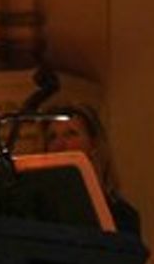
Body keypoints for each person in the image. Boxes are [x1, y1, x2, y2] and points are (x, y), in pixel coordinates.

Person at [43, 102, 141, 238]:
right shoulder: (39, 209)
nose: (59, 144)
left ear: (93, 144)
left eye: (71, 134)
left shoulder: (121, 214)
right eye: (52, 137)